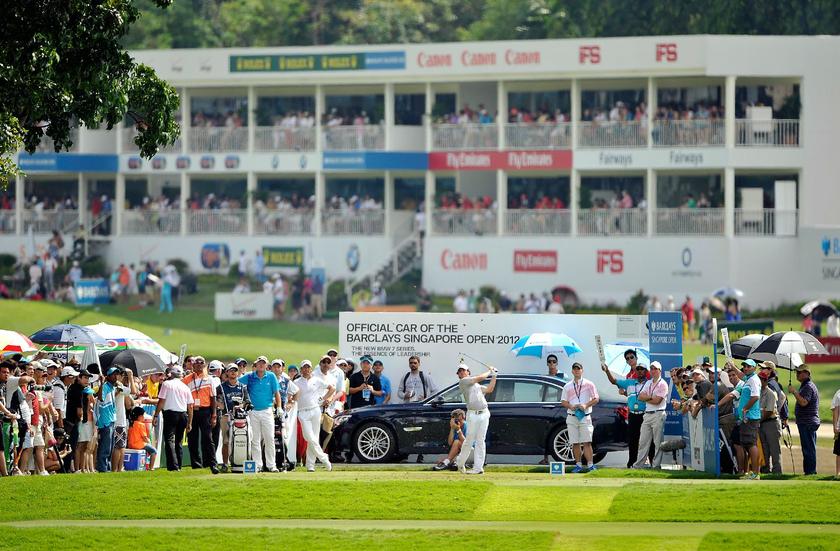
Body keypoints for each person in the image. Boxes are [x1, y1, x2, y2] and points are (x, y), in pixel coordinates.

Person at [603, 357, 654, 468]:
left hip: (645, 414)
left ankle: (653, 463)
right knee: (633, 440)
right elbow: (613, 381)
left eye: (642, 369)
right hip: (633, 415)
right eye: (638, 369)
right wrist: (607, 371)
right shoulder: (629, 382)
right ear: (635, 371)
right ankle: (632, 463)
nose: (640, 371)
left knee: (649, 439)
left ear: (646, 372)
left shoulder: (650, 383)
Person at [239, 356, 282, 472]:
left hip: (267, 411)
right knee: (255, 439)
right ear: (256, 365)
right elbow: (237, 383)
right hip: (253, 412)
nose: (261, 365)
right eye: (259, 363)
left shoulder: (271, 376)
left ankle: (271, 465)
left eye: (263, 363)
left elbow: (277, 393)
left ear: (266, 365)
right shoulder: (250, 376)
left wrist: (279, 407)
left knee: (269, 439)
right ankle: (258, 465)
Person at [289, 360, 333, 472]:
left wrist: (323, 399)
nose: (306, 369)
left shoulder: (317, 380)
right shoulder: (296, 382)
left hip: (315, 411)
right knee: (309, 437)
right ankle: (324, 457)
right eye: (304, 367)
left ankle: (310, 465)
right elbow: (291, 395)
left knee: (314, 438)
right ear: (301, 369)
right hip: (302, 412)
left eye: (308, 367)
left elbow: (331, 388)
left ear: (311, 369)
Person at [455, 362, 496, 475]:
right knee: (469, 440)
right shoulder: (463, 382)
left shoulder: (476, 385)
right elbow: (481, 377)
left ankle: (478, 468)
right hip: (473, 415)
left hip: (484, 413)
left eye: (463, 370)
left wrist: (494, 376)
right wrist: (490, 370)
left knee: (480, 441)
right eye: (460, 371)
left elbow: (489, 389)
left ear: (468, 372)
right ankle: (460, 462)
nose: (462, 372)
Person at [560, 362, 600, 473]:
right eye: (575, 369)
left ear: (582, 370)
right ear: (572, 371)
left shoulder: (589, 384)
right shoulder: (567, 386)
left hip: (585, 416)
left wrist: (585, 405)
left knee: (587, 442)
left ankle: (590, 465)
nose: (577, 370)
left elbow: (596, 398)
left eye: (579, 369)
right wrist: (571, 406)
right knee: (575, 442)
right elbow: (563, 401)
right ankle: (578, 465)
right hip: (572, 416)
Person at [153, 366, 194, 471]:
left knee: (169, 440)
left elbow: (161, 401)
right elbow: (190, 406)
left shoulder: (167, 384)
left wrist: (156, 415)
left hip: (170, 414)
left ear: (171, 374)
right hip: (183, 414)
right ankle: (178, 465)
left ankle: (173, 466)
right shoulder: (185, 387)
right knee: (178, 441)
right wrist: (189, 422)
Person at [183, 356, 219, 474]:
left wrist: (214, 415)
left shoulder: (209, 379)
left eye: (201, 363)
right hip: (192, 411)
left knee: (208, 438)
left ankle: (212, 463)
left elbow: (213, 398)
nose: (198, 365)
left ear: (204, 365)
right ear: (193, 365)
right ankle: (196, 465)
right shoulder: (187, 379)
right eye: (196, 363)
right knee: (192, 439)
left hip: (205, 411)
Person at [631, 361, 669, 469]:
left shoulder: (663, 384)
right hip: (647, 415)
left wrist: (647, 397)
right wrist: (651, 397)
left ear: (659, 370)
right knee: (643, 441)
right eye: (651, 369)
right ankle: (639, 465)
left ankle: (656, 465)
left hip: (658, 414)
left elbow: (657, 401)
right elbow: (640, 397)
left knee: (658, 442)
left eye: (655, 369)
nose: (653, 371)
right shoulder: (648, 383)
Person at [789, 365, 820, 475]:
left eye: (800, 372)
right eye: (796, 373)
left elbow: (803, 402)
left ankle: (810, 472)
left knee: (808, 449)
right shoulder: (805, 385)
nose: (797, 374)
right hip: (807, 422)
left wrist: (794, 392)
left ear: (807, 373)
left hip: (808, 422)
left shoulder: (808, 386)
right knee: (808, 448)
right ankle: (809, 471)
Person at [218, 363, 249, 472]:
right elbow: (218, 401)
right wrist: (220, 404)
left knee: (241, 439)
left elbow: (247, 402)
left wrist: (240, 406)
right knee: (226, 441)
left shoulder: (242, 387)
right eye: (230, 370)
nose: (233, 372)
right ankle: (225, 464)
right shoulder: (221, 387)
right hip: (226, 416)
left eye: (235, 370)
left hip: (239, 417)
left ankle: (239, 462)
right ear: (226, 372)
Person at [736, 359, 762, 479]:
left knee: (751, 444)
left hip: (751, 417)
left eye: (748, 366)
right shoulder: (748, 378)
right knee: (746, 445)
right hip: (747, 417)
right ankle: (750, 473)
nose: (745, 368)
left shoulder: (754, 380)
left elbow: (755, 397)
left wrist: (745, 409)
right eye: (744, 366)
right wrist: (732, 367)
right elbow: (741, 375)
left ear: (754, 368)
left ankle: (755, 473)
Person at [95, 367, 119, 472]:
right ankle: (102, 468)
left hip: (111, 419)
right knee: (105, 447)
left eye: (116, 374)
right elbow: (100, 398)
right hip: (105, 421)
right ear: (108, 376)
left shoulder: (112, 387)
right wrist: (101, 383)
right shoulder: (105, 386)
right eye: (113, 374)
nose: (116, 376)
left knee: (110, 447)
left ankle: (107, 468)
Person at [758, 371, 782, 475]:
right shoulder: (758, 392)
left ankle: (777, 471)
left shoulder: (770, 393)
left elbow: (769, 411)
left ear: (765, 381)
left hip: (771, 423)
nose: (758, 381)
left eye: (760, 379)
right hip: (762, 423)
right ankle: (765, 470)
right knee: (764, 449)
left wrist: (758, 420)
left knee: (774, 449)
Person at [832, 385, 840, 478]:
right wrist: (835, 426)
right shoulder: (839, 393)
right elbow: (835, 410)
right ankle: (838, 473)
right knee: (839, 452)